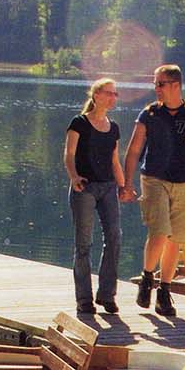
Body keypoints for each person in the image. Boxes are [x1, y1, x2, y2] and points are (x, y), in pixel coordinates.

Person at [121, 64, 185, 319]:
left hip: (184, 182)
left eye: (160, 84)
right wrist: (127, 183)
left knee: (177, 238)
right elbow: (133, 150)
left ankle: (164, 291)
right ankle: (147, 277)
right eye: (155, 84)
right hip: (154, 179)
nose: (156, 89)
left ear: (176, 85)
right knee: (160, 231)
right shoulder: (150, 114)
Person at [63, 77, 126, 317]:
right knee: (83, 244)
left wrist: (124, 186)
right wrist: (74, 176)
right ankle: (84, 300)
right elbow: (69, 154)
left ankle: (106, 295)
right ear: (96, 95)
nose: (112, 98)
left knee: (114, 237)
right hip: (85, 188)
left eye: (115, 94)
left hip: (108, 187)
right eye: (109, 93)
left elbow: (114, 161)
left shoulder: (114, 127)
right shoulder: (79, 123)